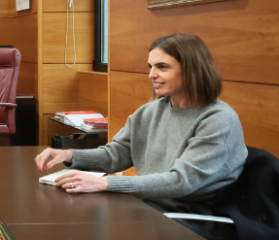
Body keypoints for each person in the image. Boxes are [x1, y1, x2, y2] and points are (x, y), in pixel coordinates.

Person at [34, 33, 247, 213]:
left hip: (189, 216)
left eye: (162, 67)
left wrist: (105, 183)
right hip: (150, 204)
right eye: (151, 66)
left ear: (192, 70)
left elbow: (182, 182)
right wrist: (69, 155)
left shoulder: (218, 119)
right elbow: (116, 155)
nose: (152, 74)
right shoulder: (150, 111)